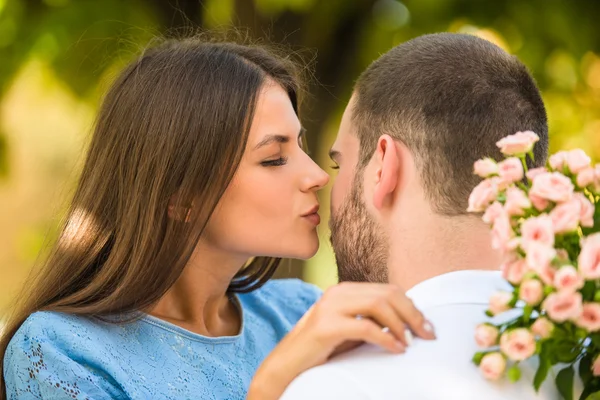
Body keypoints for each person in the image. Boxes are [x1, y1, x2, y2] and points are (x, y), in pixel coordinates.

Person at [0, 38, 435, 400]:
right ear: (182, 195)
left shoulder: (303, 312)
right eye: (274, 158)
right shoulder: (60, 352)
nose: (318, 176)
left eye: (301, 146)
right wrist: (272, 387)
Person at [280, 33, 573, 399]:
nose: (324, 187)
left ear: (383, 167)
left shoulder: (336, 386)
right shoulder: (580, 361)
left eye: (339, 165)